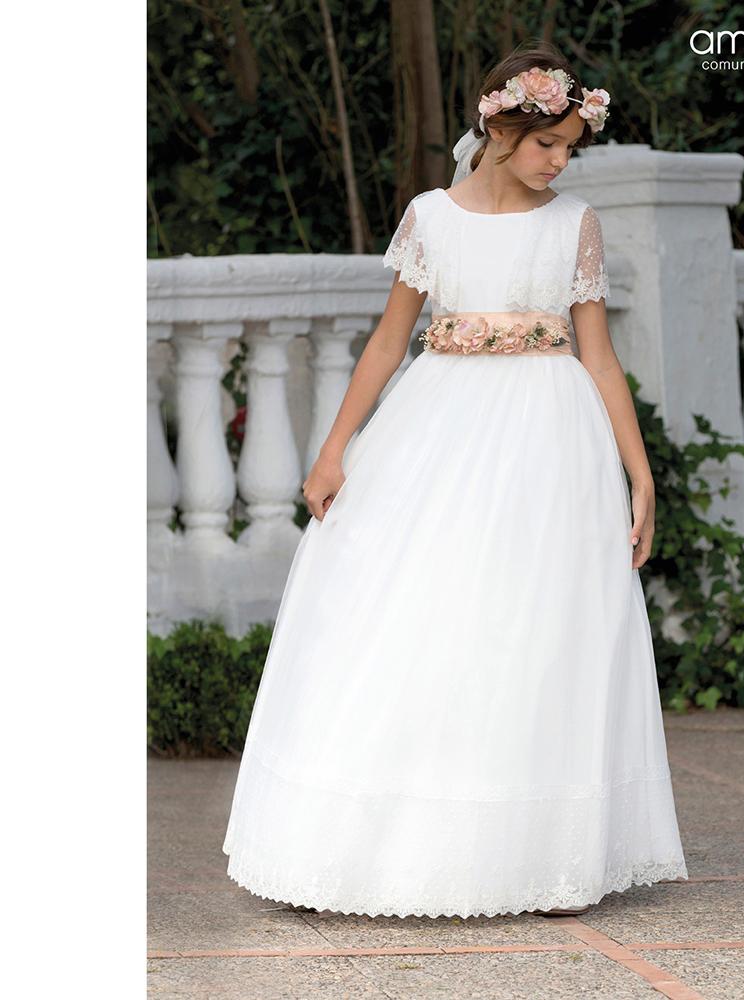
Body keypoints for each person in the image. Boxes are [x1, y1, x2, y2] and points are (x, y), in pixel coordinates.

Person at [222, 40, 689, 920]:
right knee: (419, 610)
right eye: (546, 144)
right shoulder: (430, 217)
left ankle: (540, 849)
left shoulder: (574, 224)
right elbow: (387, 342)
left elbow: (599, 357)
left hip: (550, 441)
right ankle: (385, 840)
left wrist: (640, 474)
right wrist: (333, 450)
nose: (558, 163)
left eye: (570, 149)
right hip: (438, 428)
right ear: (499, 128)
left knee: (538, 628)